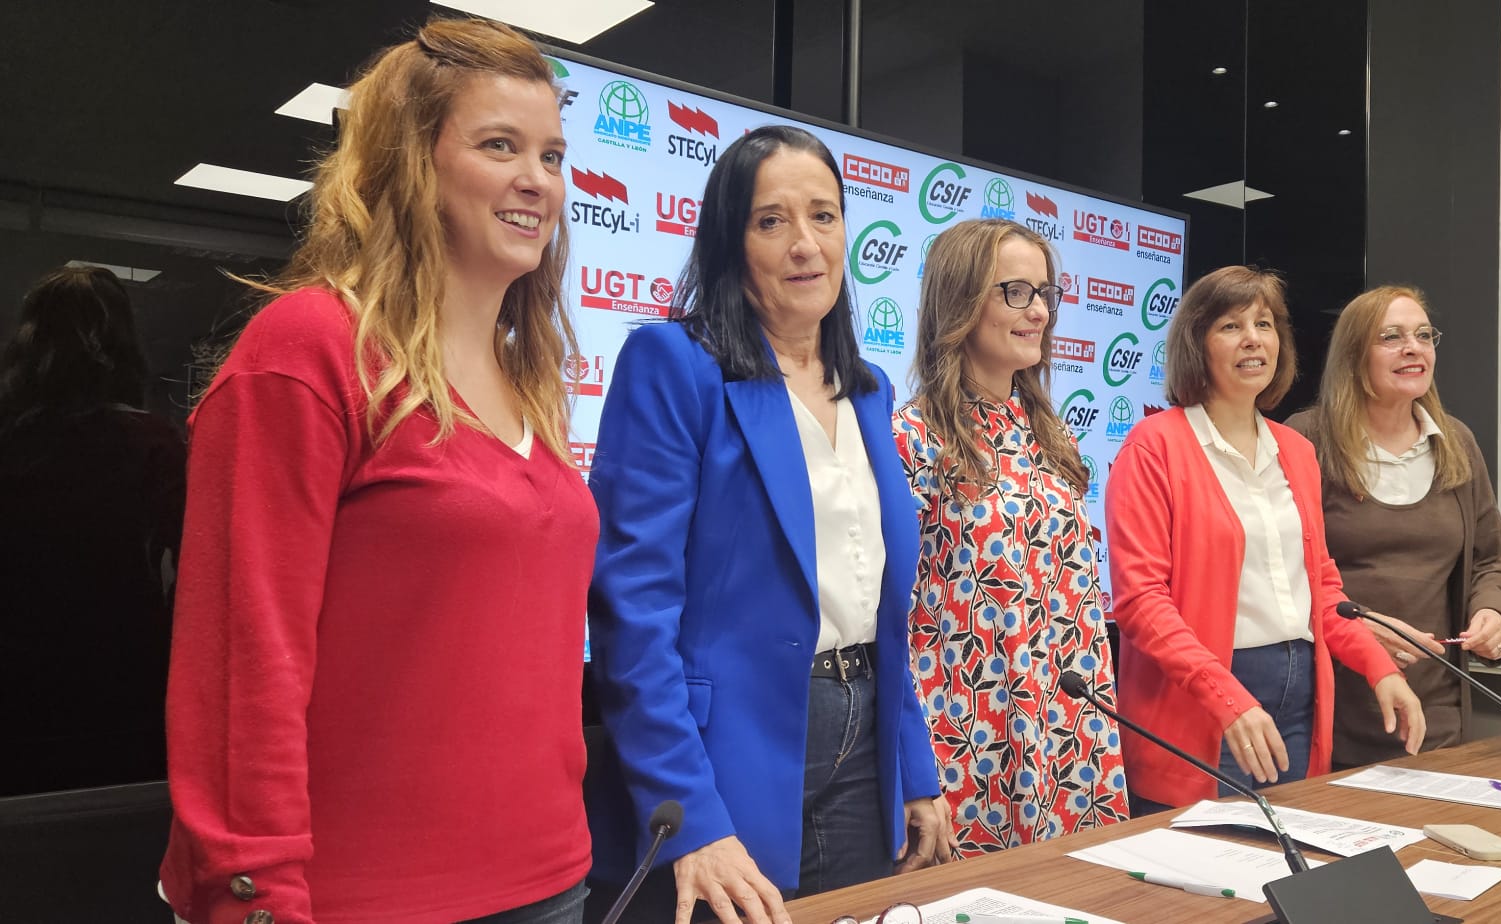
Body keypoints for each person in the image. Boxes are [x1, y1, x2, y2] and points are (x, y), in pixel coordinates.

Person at [157, 18, 598, 923]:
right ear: (412, 162)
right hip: (355, 898)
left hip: (550, 882)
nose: (537, 180)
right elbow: (244, 667)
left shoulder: (532, 383)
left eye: (552, 155)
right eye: (499, 145)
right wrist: (256, 896)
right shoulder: (308, 351)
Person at [587, 124, 948, 924]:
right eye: (771, 221)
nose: (804, 244)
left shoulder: (870, 390)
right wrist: (692, 817)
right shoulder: (673, 365)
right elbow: (633, 615)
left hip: (864, 742)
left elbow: (879, 603)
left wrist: (914, 770)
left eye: (824, 215)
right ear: (729, 239)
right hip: (723, 756)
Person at [1104, 265, 1427, 812]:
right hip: (1204, 704)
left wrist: (1380, 667)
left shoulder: (1295, 451)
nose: (1254, 337)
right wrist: (1226, 696)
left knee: (1287, 875)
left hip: (1299, 699)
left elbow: (1322, 590)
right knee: (1209, 884)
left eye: (1265, 323)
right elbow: (1140, 602)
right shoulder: (1154, 446)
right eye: (1231, 326)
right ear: (1197, 344)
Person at [892, 219, 1129, 855]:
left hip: (1069, 729)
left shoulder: (1053, 437)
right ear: (960, 301)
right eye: (1015, 292)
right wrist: (913, 767)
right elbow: (889, 614)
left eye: (1046, 293)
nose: (1039, 312)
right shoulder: (911, 438)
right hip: (968, 734)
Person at [1285, 284, 1501, 768]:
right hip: (1333, 711)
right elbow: (1278, 572)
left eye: (1424, 335)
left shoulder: (1455, 441)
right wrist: (1357, 623)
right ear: (1354, 356)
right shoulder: (1305, 439)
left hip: (1437, 713)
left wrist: (1495, 612)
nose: (1413, 348)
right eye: (1391, 337)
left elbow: (1491, 559)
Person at [0, 265, 184, 797]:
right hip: (120, 689)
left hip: (14, 688)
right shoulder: (151, 444)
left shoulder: (10, 439)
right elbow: (199, 573)